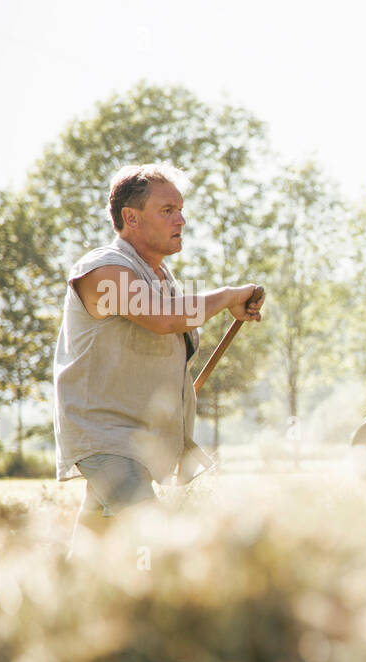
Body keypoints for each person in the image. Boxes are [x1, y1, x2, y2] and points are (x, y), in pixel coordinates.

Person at [53, 163, 264, 549]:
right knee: (151, 540)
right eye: (167, 210)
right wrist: (230, 296)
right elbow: (163, 319)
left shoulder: (162, 278)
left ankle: (61, 602)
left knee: (92, 546)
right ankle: (164, 605)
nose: (181, 219)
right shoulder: (102, 270)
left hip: (137, 441)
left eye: (181, 209)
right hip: (106, 437)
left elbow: (171, 326)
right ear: (131, 218)